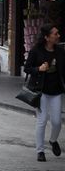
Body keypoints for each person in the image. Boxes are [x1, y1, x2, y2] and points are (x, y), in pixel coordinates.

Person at [24, 24, 64, 162]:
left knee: (57, 122)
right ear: (47, 37)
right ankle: (40, 151)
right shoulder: (36, 51)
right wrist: (39, 69)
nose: (58, 35)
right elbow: (27, 68)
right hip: (40, 91)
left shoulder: (60, 51)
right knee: (42, 121)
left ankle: (53, 141)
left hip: (57, 91)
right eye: (55, 34)